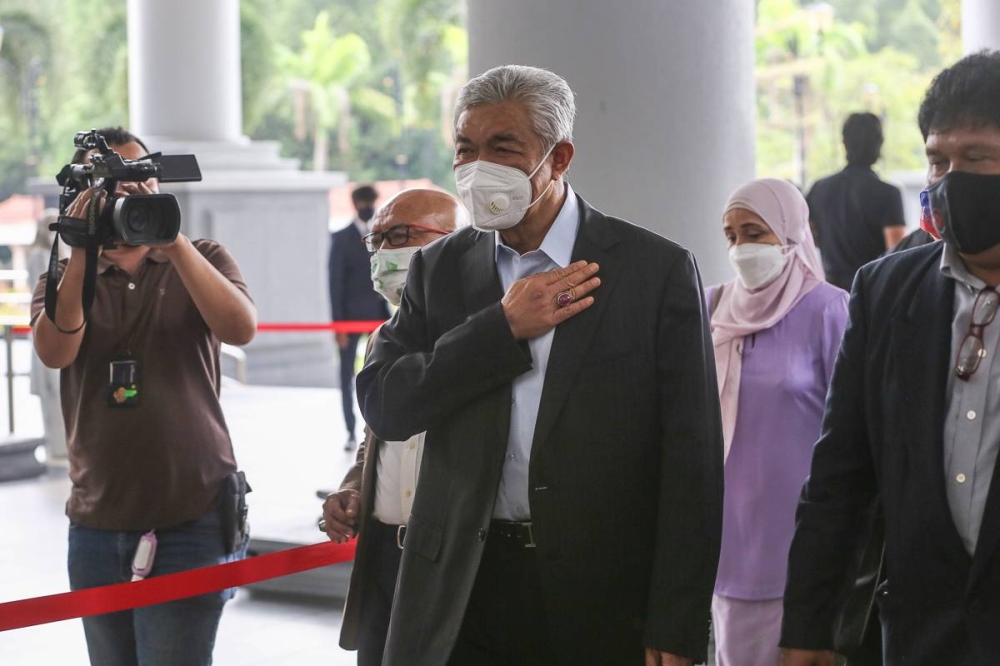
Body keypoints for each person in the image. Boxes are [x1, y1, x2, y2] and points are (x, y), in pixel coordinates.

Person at [356, 65, 724, 666]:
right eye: (466, 149)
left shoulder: (652, 271)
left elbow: (692, 462)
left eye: (503, 148)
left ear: (558, 158)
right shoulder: (439, 269)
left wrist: (677, 621)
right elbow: (385, 403)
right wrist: (497, 329)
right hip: (462, 591)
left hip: (601, 597)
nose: (479, 168)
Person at [780, 51, 1000, 665]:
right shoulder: (884, 290)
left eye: (977, 158)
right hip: (919, 637)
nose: (951, 179)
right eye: (938, 160)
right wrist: (809, 627)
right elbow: (840, 476)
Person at [30, 126, 257, 666]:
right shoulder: (62, 276)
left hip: (192, 512)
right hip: (97, 516)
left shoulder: (202, 256)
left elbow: (240, 328)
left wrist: (171, 239)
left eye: (137, 178)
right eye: (109, 183)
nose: (125, 193)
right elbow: (56, 352)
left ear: (157, 183)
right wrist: (83, 251)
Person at [707, 178, 848, 666]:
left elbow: (850, 431)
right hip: (728, 540)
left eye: (755, 233)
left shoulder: (828, 308)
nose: (741, 248)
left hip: (800, 541)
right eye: (731, 236)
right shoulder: (712, 307)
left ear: (790, 234)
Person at [321, 188, 463, 666]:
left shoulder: (491, 334)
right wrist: (354, 488)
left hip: (454, 561)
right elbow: (377, 437)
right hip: (384, 557)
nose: (383, 252)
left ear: (459, 241)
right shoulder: (383, 337)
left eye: (400, 236)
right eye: (376, 239)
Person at [806, 112, 906, 291]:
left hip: (832, 292)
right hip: (873, 292)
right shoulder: (888, 194)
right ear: (879, 144)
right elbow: (897, 255)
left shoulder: (818, 189)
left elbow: (807, 240)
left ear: (844, 143)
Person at [329, 184, 391, 451]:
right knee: (346, 375)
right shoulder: (341, 238)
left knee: (381, 371)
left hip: (378, 316)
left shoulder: (382, 235)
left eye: (371, 202)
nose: (368, 207)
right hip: (348, 317)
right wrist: (338, 325)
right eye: (364, 203)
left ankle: (377, 428)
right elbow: (334, 283)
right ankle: (349, 431)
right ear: (355, 205)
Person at [27, 209, 67, 459]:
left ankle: (62, 446)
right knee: (50, 395)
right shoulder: (39, 256)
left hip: (58, 330)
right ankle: (56, 447)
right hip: (46, 324)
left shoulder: (63, 255)